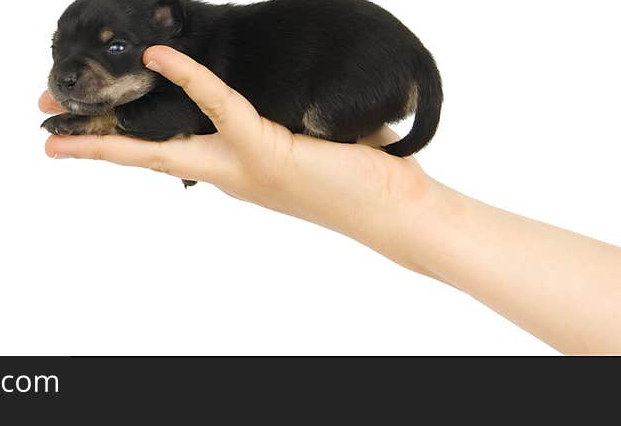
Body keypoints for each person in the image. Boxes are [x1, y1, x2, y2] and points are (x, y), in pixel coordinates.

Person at [40, 45, 621, 354]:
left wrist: (106, 119)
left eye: (115, 47)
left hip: (357, 74)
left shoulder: (194, 67)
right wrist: (405, 200)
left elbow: (165, 117)